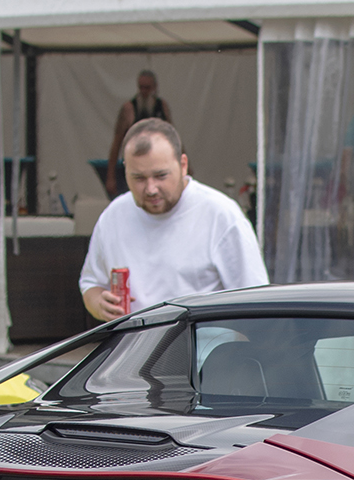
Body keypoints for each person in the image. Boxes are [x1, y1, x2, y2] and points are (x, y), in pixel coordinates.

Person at [80, 118, 266, 322]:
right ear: (125, 171)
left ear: (183, 165)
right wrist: (98, 303)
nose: (151, 189)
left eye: (160, 176)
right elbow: (91, 283)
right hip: (134, 348)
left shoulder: (222, 216)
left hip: (203, 349)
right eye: (139, 178)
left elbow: (256, 301)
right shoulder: (113, 216)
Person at [105, 70, 171, 197]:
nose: (144, 91)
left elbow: (173, 137)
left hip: (159, 165)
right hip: (136, 166)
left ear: (154, 88)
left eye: (147, 88)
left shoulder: (162, 107)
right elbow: (116, 144)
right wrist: (111, 177)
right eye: (141, 87)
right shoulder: (129, 108)